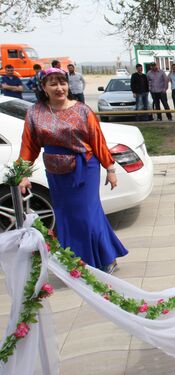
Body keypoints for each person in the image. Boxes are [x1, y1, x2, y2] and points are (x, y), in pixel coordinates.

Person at [18, 68, 127, 273]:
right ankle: (76, 261)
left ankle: (103, 260)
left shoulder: (82, 110)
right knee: (67, 216)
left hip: (84, 169)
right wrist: (22, 173)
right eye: (53, 83)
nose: (59, 88)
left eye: (62, 83)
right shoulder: (35, 112)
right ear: (43, 87)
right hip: (57, 174)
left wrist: (110, 169)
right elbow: (28, 146)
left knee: (87, 215)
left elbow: (98, 141)